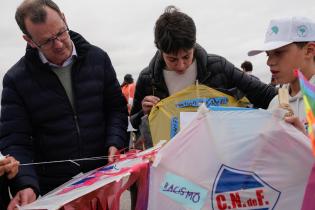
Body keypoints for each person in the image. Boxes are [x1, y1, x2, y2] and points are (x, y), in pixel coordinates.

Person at [0, 0, 128, 208]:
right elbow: (15, 140)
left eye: (61, 33)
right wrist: (26, 184)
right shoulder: (16, 80)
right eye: (47, 41)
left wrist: (115, 141)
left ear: (64, 19)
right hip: (56, 191)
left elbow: (116, 109)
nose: (59, 44)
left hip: (102, 178)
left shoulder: (98, 58)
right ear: (29, 40)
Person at [130, 6, 276, 133]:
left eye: (186, 56)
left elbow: (264, 94)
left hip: (217, 153)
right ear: (160, 51)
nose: (181, 65)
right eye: (172, 59)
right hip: (170, 157)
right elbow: (133, 123)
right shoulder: (147, 78)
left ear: (193, 45)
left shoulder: (218, 67)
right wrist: (144, 112)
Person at [248, 16, 315, 134]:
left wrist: (306, 144)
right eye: (268, 54)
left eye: (278, 52)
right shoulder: (275, 104)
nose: (269, 62)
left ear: (309, 51)